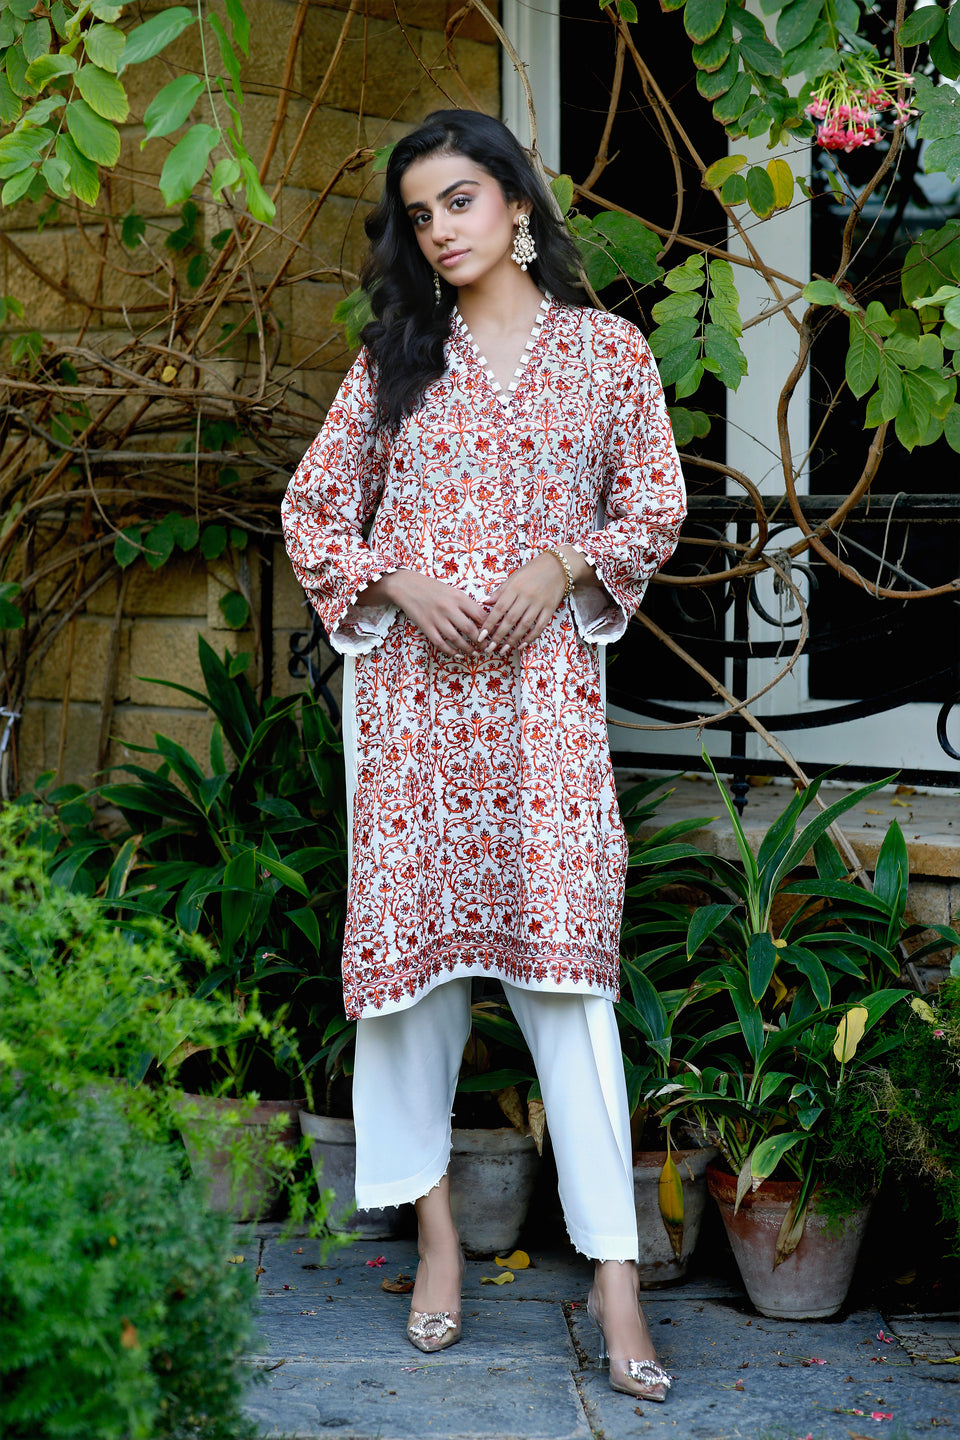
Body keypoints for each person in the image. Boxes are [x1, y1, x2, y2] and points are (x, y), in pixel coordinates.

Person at [282, 109, 686, 1403]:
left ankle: (614, 1275)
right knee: (411, 994)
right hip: (412, 711)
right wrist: (396, 579)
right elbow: (312, 510)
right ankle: (440, 1241)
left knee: (570, 983)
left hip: (542, 705)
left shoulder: (608, 355)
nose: (440, 231)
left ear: (517, 203)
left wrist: (564, 562)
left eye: (459, 200)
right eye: (420, 215)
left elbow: (656, 502)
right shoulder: (396, 358)